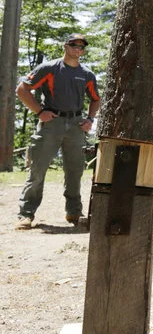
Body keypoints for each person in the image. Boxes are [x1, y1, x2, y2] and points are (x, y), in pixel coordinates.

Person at [14, 33, 100, 229]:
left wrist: (89, 119)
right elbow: (22, 89)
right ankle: (25, 214)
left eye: (81, 46)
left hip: (77, 126)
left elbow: (96, 99)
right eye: (74, 45)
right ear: (65, 46)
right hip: (51, 123)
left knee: (75, 171)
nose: (78, 49)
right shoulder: (50, 68)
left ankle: (74, 213)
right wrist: (39, 111)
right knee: (38, 169)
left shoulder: (87, 74)